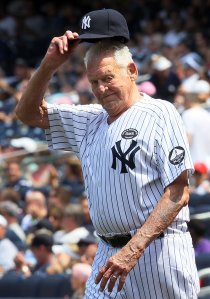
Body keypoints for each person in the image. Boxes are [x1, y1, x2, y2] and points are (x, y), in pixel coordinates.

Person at [15, 8, 200, 299]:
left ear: (132, 71)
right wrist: (50, 65)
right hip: (107, 255)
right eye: (93, 82)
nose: (101, 89)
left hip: (157, 252)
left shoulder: (160, 112)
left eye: (107, 78)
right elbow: (26, 113)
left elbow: (178, 192)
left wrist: (132, 250)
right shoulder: (89, 118)